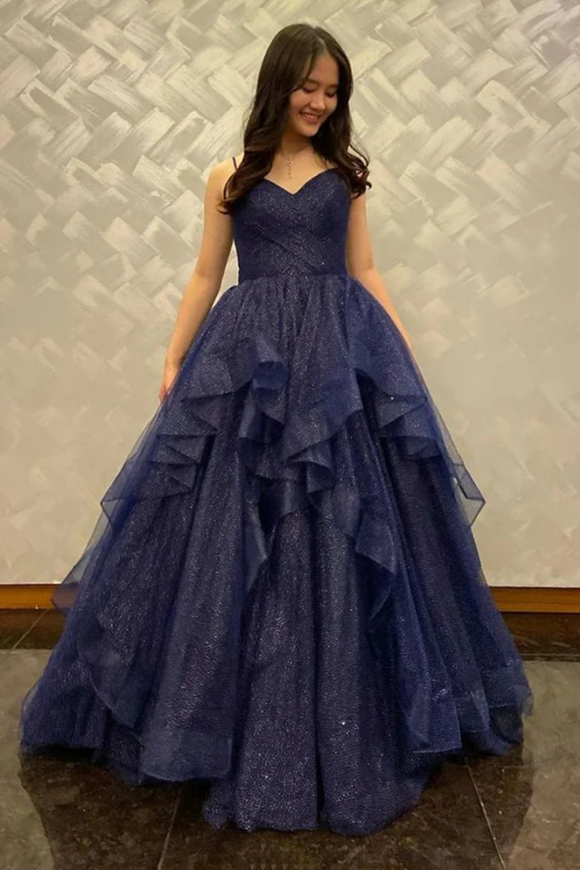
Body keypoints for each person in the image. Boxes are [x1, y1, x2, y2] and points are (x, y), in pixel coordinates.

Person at [18, 23, 533, 836]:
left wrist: (400, 358)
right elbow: (206, 271)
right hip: (249, 362)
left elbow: (365, 270)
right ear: (279, 83)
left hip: (337, 362)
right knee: (233, 528)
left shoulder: (346, 176)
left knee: (347, 522)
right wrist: (174, 357)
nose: (319, 102)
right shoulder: (231, 174)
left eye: (332, 92)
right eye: (309, 87)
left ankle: (354, 718)